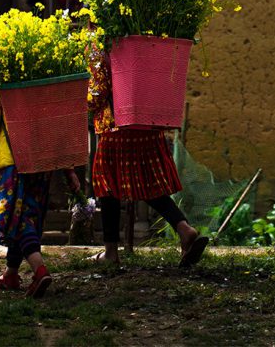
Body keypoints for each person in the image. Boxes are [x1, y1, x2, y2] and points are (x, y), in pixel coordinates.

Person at [86, 45, 209, 267]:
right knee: (148, 182)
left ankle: (111, 252)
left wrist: (79, 99)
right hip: (145, 123)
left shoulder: (102, 44)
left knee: (107, 184)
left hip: (116, 126)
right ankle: (184, 229)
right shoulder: (148, 39)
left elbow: (98, 91)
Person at [0, 77, 56, 297]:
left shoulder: (0, 79)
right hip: (42, 163)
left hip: (12, 164)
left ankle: (39, 269)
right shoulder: (48, 75)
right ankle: (10, 274)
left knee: (19, 222)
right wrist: (68, 169)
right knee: (23, 217)